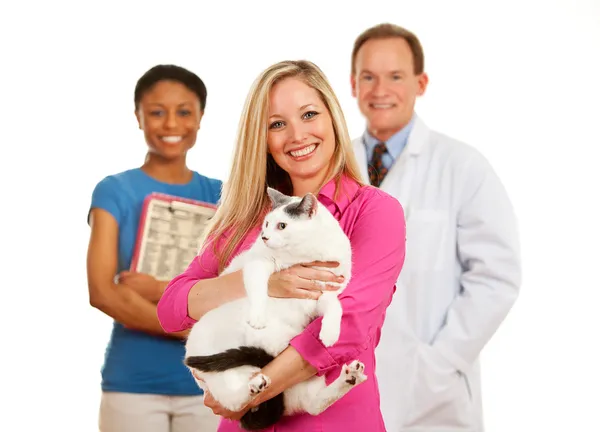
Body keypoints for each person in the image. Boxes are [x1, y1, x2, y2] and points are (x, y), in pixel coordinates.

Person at [156, 59, 407, 431]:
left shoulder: (374, 212)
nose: (296, 135)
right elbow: (172, 308)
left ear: (333, 118)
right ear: (262, 139)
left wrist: (248, 393)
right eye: (277, 124)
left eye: (309, 114)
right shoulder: (247, 222)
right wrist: (260, 282)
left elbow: (348, 328)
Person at [349, 23, 522, 431]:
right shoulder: (334, 167)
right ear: (353, 85)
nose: (380, 90)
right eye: (368, 77)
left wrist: (439, 364)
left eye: (395, 76)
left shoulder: (462, 166)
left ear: (420, 83)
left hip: (431, 398)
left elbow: (498, 277)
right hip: (345, 388)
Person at [86, 64, 222, 432]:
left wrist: (154, 293)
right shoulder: (114, 190)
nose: (171, 124)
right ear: (138, 117)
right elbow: (102, 292)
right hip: (132, 387)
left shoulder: (222, 194)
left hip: (211, 384)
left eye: (184, 112)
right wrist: (192, 327)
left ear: (200, 117)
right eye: (157, 112)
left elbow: (233, 290)